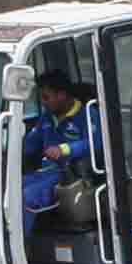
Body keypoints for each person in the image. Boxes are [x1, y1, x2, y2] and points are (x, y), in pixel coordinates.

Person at [20, 66, 98, 248]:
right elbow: (31, 143)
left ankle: (18, 254)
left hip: (69, 175)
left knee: (26, 196)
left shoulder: (87, 115)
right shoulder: (47, 118)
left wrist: (64, 150)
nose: (43, 102)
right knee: (7, 189)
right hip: (45, 172)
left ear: (61, 95)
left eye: (46, 98)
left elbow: (95, 143)